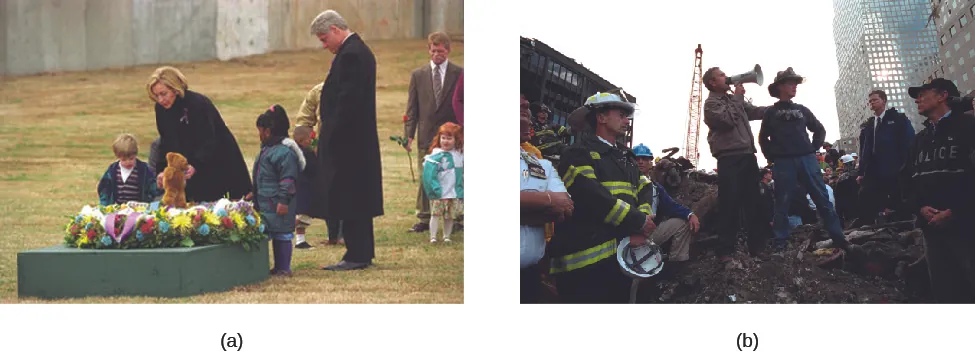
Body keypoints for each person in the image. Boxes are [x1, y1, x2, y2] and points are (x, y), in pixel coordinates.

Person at [549, 92, 654, 303]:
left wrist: (642, 221)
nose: (627, 121)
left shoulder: (624, 158)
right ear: (601, 117)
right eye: (622, 115)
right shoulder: (578, 153)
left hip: (619, 259)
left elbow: (645, 186)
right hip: (584, 267)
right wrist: (639, 221)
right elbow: (591, 197)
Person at [311, 10, 383, 271]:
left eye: (323, 38)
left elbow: (347, 102)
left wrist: (330, 133)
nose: (323, 45)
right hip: (354, 141)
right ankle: (361, 250)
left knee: (352, 196)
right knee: (355, 197)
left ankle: (357, 254)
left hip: (349, 143)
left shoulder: (352, 55)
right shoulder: (354, 51)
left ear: (335, 30)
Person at [758, 67, 856, 253]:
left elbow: (819, 129)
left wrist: (812, 149)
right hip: (784, 162)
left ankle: (838, 237)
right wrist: (773, 157)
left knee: (822, 199)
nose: (795, 86)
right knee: (782, 201)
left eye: (796, 83)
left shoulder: (802, 110)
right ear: (780, 87)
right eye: (790, 83)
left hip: (806, 159)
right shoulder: (771, 113)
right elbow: (763, 139)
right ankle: (780, 242)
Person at [901, 78, 975, 303]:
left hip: (966, 228)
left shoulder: (969, 128)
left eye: (923, 94)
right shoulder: (919, 141)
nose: (917, 99)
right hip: (932, 232)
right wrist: (920, 207)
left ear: (943, 96)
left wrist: (957, 212)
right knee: (945, 291)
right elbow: (905, 181)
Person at [146, 66, 251, 203]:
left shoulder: (197, 104)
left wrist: (195, 164)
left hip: (220, 164)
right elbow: (166, 142)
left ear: (176, 89)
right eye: (156, 95)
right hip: (190, 170)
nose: (160, 100)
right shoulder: (161, 109)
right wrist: (163, 170)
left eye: (163, 94)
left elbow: (209, 140)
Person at [702, 66, 771, 264]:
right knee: (729, 204)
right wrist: (739, 98)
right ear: (713, 83)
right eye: (721, 75)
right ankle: (725, 250)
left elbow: (753, 111)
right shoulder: (711, 104)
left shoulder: (733, 99)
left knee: (754, 203)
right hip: (729, 159)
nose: (727, 77)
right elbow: (726, 121)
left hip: (747, 155)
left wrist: (776, 109)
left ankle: (757, 247)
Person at [404, 32, 463, 233]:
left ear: (448, 50)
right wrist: (408, 135)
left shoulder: (459, 74)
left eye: (441, 50)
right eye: (433, 50)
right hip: (427, 135)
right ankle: (424, 215)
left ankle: (455, 218)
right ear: (429, 50)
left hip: (452, 134)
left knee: (453, 175)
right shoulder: (418, 75)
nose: (437, 54)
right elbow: (412, 109)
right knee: (427, 176)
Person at [521, 104, 572, 304]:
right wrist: (547, 202)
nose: (527, 109)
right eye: (520, 105)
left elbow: (565, 205)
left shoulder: (536, 159)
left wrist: (525, 212)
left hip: (530, 271)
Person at [251, 105, 302, 276]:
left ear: (268, 131)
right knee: (273, 231)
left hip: (278, 203)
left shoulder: (284, 153)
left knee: (282, 234)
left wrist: (283, 200)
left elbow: (288, 179)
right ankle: (275, 266)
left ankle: (283, 267)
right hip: (266, 202)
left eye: (260, 131)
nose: (259, 135)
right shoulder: (267, 149)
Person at [854, 89, 915, 226]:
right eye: (870, 101)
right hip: (873, 170)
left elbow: (909, 143)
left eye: (875, 100)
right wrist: (861, 172)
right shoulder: (868, 126)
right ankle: (869, 227)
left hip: (894, 169)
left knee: (897, 201)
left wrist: (906, 166)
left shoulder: (898, 119)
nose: (872, 103)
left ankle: (904, 228)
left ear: (884, 101)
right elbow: (864, 150)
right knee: (865, 196)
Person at [294, 82, 343, 246]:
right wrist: (307, 143)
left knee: (345, 190)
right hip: (325, 149)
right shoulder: (318, 91)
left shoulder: (353, 88)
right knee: (328, 190)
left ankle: (345, 233)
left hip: (348, 147)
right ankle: (333, 236)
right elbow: (304, 120)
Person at [292, 126, 334, 249]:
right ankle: (285, 227)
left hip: (302, 189)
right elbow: (314, 167)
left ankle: (300, 241)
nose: (311, 141)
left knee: (304, 219)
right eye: (308, 140)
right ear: (300, 141)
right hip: (306, 191)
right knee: (303, 216)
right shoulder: (305, 154)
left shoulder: (295, 152)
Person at [422, 122, 464, 243]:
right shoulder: (435, 155)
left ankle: (447, 236)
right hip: (439, 192)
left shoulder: (459, 155)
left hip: (452, 192)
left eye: (449, 138)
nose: (446, 141)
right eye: (443, 138)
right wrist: (434, 189)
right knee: (435, 215)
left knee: (449, 216)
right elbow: (429, 174)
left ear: (456, 140)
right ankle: (433, 236)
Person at [97, 133, 163, 206]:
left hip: (139, 209)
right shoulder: (113, 170)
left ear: (136, 154)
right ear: (118, 157)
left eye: (131, 158)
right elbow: (105, 190)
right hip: (119, 209)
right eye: (124, 160)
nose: (128, 162)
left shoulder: (144, 170)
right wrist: (105, 206)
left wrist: (159, 185)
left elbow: (152, 188)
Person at [834, 155, 859, 224]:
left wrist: (839, 214)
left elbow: (838, 196)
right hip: (859, 205)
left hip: (848, 207)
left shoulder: (842, 178)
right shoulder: (859, 174)